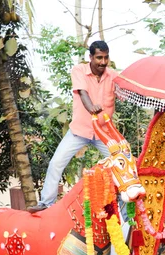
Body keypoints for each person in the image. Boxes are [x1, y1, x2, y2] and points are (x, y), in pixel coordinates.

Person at [29, 41, 116, 213]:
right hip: (79, 131)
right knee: (56, 163)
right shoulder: (79, 71)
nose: (103, 62)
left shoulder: (113, 76)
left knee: (122, 163)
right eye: (99, 58)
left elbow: (126, 91)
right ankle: (46, 203)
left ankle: (123, 202)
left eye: (106, 58)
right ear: (90, 57)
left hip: (104, 133)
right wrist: (91, 107)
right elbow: (82, 92)